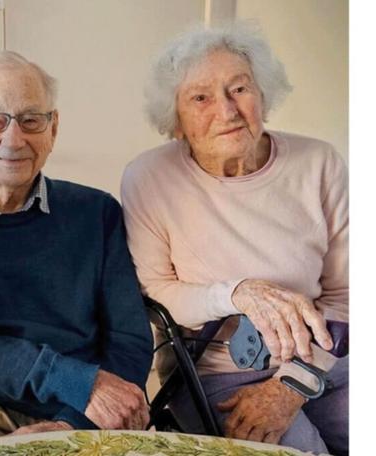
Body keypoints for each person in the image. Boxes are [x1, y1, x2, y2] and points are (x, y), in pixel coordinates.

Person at [0, 50, 153, 451]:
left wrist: (69, 424)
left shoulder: (98, 213)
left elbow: (130, 341)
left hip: (86, 413)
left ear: (53, 130)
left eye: (31, 120)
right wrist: (68, 378)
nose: (13, 139)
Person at [121, 23, 348, 454]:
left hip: (328, 360)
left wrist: (295, 381)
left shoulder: (319, 163)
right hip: (221, 371)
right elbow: (156, 290)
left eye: (239, 88)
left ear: (263, 93)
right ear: (176, 121)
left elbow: (351, 292)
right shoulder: (150, 177)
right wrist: (238, 293)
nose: (226, 111)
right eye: (201, 98)